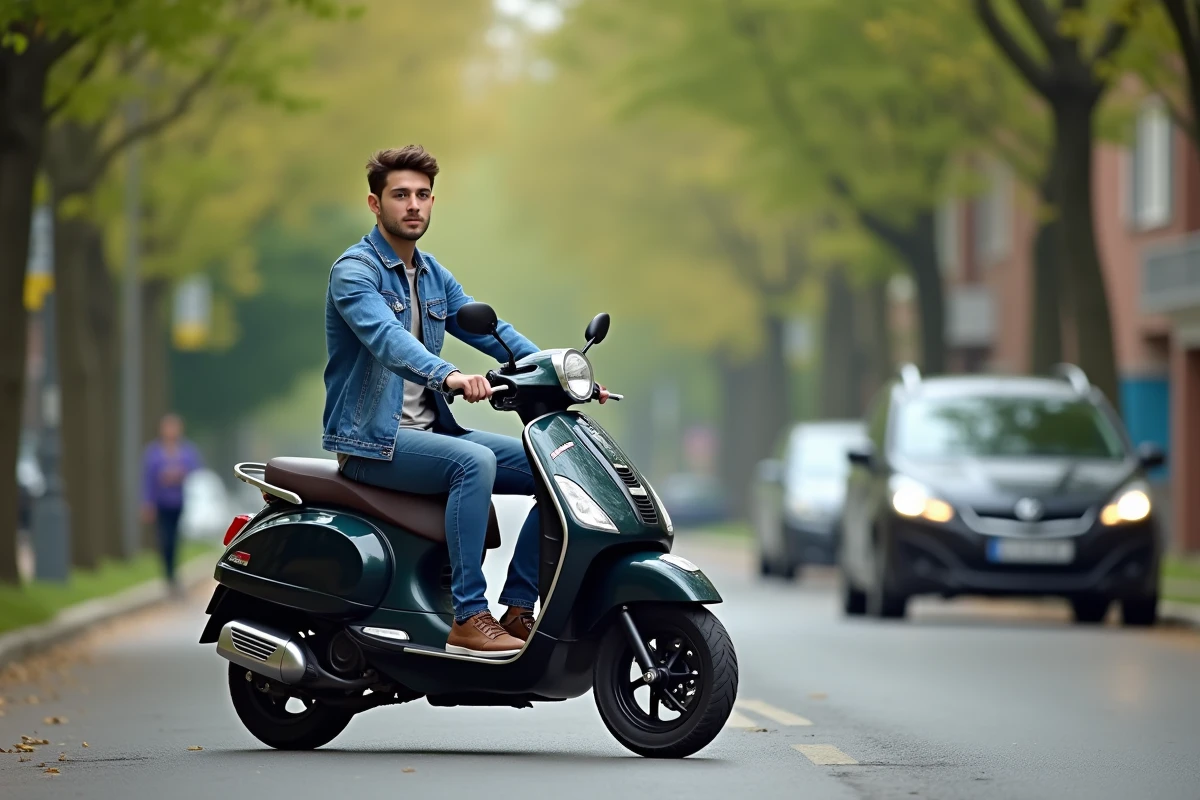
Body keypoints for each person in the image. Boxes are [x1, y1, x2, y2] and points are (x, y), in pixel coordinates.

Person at [323, 145, 608, 658]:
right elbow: (388, 340)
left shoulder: (432, 275)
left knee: (557, 466)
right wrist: (450, 375)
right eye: (401, 195)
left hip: (433, 437)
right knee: (472, 463)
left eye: (423, 195)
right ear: (375, 204)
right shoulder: (355, 272)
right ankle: (468, 616)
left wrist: (564, 375)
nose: (413, 205)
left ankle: (518, 607)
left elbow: (495, 333)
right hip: (373, 442)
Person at [142, 413, 203, 593]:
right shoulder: (153, 453)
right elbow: (148, 480)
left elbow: (197, 471)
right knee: (165, 539)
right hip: (162, 503)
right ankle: (168, 573)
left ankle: (173, 572)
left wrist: (180, 474)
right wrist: (147, 503)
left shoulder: (187, 451)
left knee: (175, 538)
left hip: (180, 501)